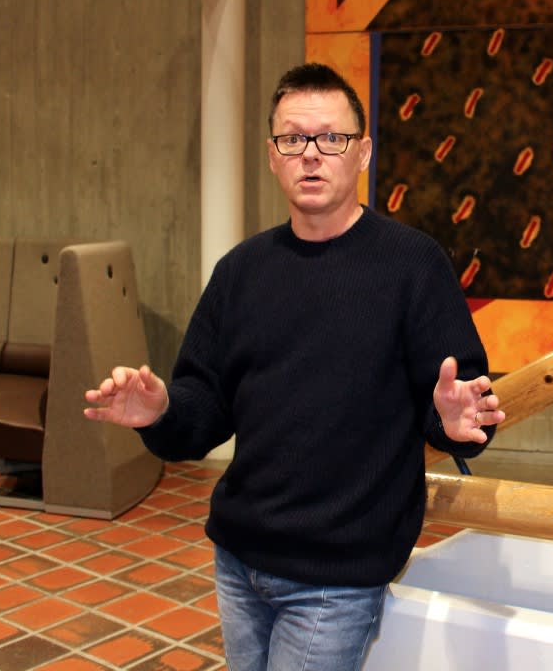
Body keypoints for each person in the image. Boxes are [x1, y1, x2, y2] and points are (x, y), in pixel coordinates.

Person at [84, 62, 504, 671]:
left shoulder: (413, 265)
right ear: (272, 155)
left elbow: (462, 403)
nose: (311, 154)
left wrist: (455, 420)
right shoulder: (241, 271)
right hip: (238, 558)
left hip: (337, 576)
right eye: (292, 139)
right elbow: (204, 410)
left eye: (331, 138)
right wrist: (161, 410)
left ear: (363, 152)